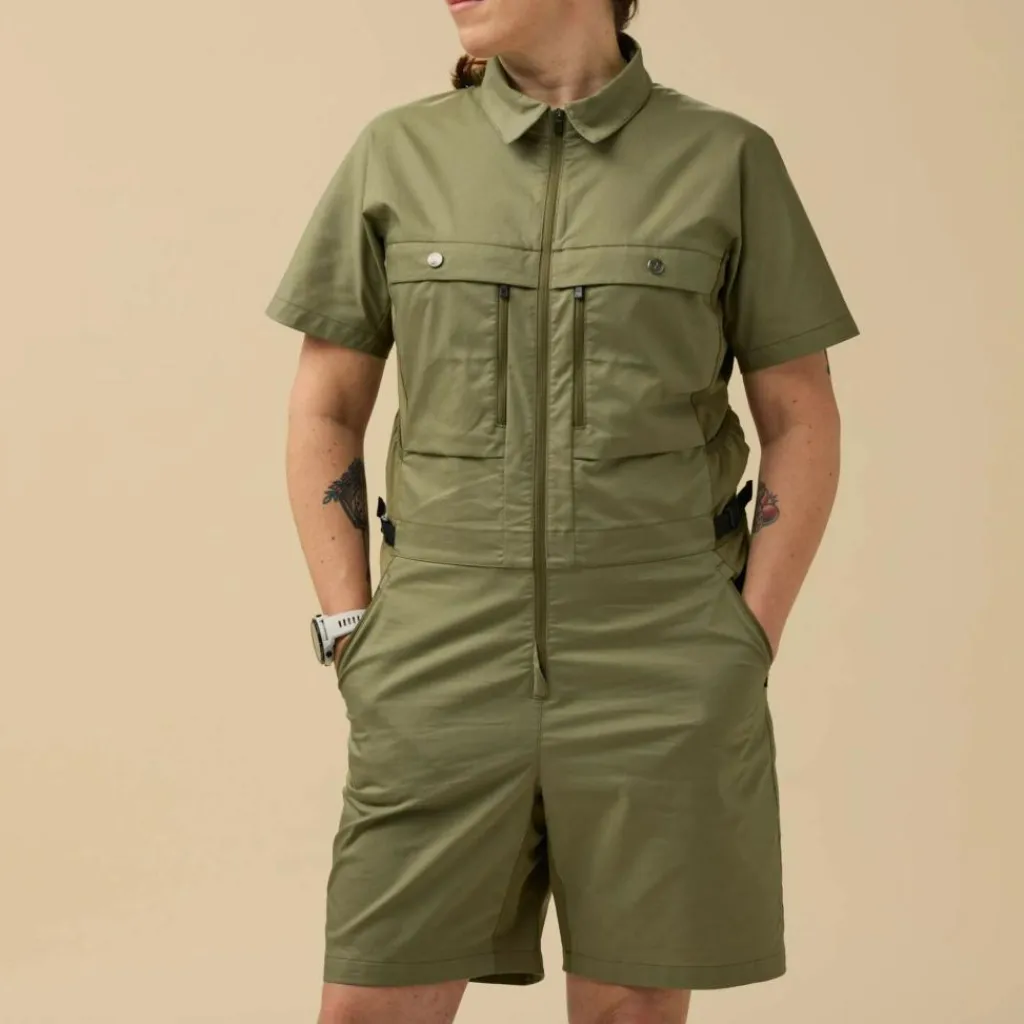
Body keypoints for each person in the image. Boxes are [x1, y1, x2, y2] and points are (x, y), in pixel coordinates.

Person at [265, 0, 859, 1021]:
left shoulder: (725, 161)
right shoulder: (397, 155)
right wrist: (350, 627)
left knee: (630, 1009)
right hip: (439, 657)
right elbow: (325, 408)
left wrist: (743, 641)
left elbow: (801, 418)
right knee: (371, 1005)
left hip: (659, 664)